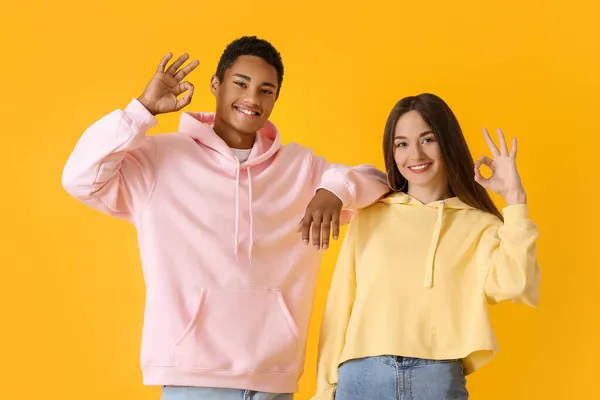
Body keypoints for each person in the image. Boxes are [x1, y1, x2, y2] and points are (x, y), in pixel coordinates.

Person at [61, 36, 388, 400]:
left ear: (276, 98)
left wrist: (335, 190)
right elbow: (79, 177)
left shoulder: (301, 168)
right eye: (241, 83)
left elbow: (380, 184)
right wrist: (141, 111)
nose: (252, 99)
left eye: (266, 90)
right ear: (216, 85)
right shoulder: (159, 159)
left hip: (273, 380)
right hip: (191, 380)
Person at [312, 93, 541, 400]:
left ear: (448, 142)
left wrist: (515, 199)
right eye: (402, 143)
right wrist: (324, 390)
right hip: (361, 375)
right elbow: (340, 303)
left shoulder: (480, 225)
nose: (415, 154)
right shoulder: (370, 214)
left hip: (437, 378)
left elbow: (516, 285)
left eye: (428, 139)